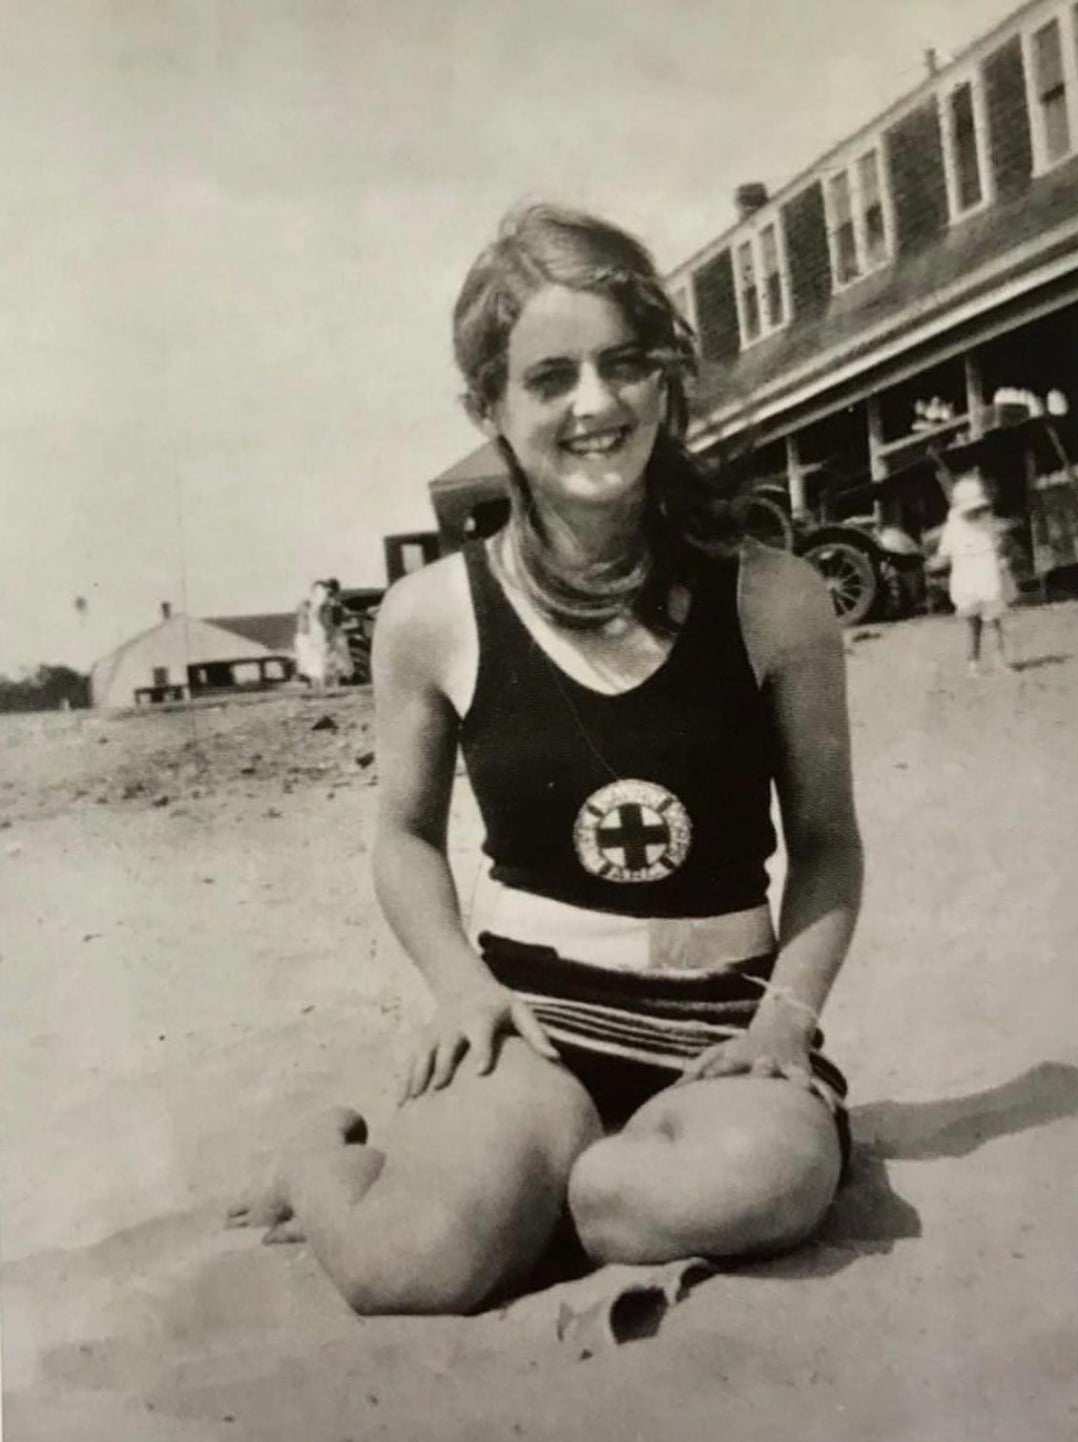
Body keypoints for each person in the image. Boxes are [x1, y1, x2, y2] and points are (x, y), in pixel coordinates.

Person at [227, 203, 864, 1316]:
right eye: (551, 376)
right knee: (405, 1265)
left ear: (666, 381)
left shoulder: (774, 597)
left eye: (626, 365)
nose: (597, 403)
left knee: (766, 1176)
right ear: (492, 406)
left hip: (724, 1012)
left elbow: (826, 841)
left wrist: (785, 1023)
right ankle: (320, 1159)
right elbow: (404, 834)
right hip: (532, 1017)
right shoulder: (433, 615)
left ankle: (546, 1191)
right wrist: (460, 983)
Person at [933, 473, 1018, 676]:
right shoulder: (954, 527)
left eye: (978, 509)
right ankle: (973, 664)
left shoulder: (987, 522)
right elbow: (944, 553)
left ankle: (1000, 660)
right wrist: (937, 564)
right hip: (967, 581)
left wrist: (1002, 556)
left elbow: (999, 540)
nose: (975, 514)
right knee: (973, 625)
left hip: (988, 578)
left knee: (994, 621)